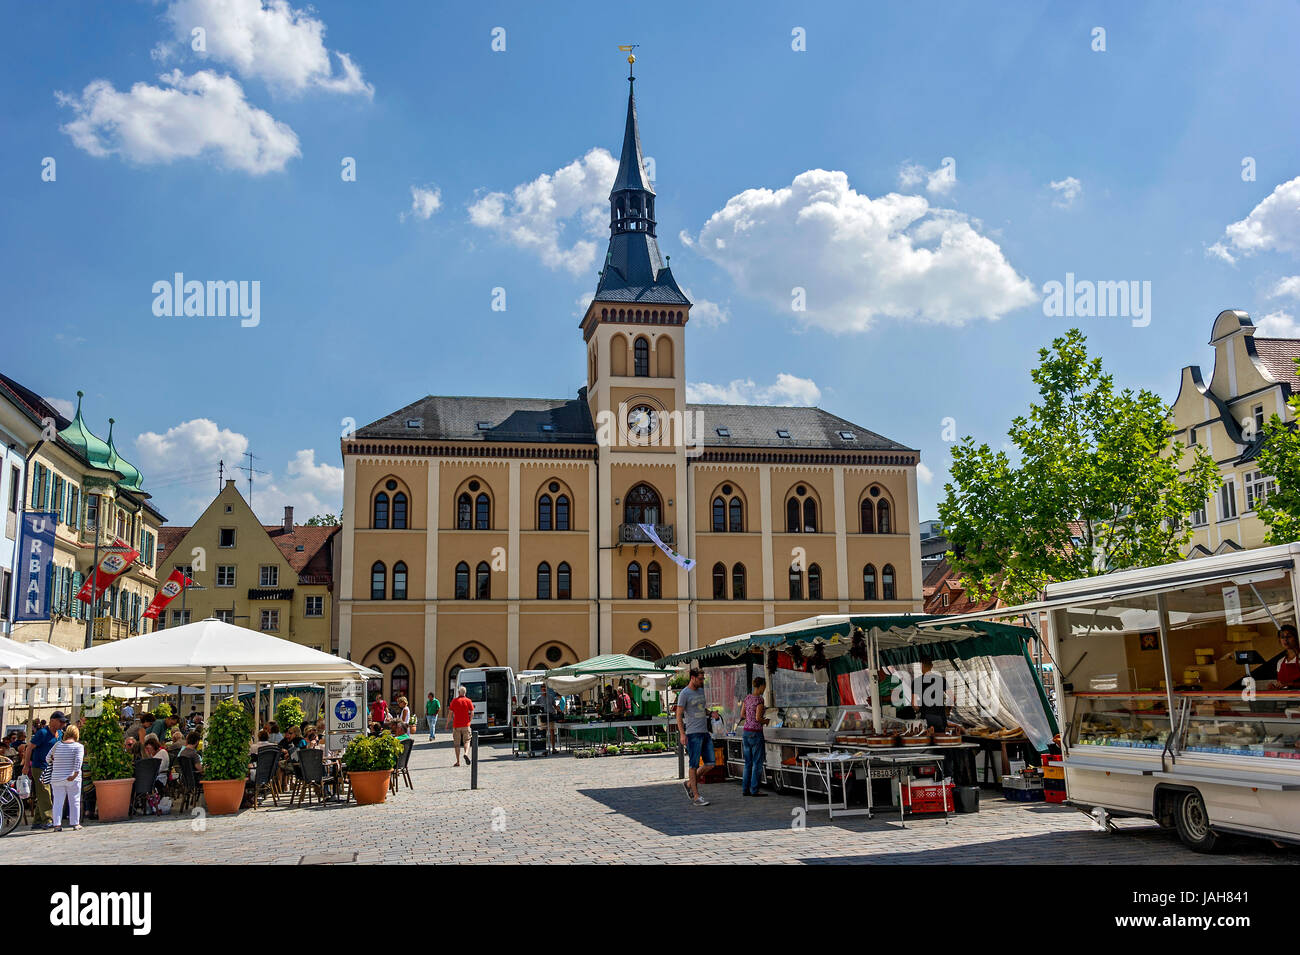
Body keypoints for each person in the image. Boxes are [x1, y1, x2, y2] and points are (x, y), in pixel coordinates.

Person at [674, 669, 712, 807]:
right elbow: (678, 715)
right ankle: (696, 796)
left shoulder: (701, 691)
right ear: (693, 678)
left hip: (704, 731)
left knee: (710, 763)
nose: (702, 681)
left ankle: (689, 783)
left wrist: (711, 713)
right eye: (700, 679)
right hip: (693, 733)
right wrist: (682, 734)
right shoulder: (684, 694)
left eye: (703, 679)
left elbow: (702, 709)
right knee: (693, 765)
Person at [22, 710, 65, 830]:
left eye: (64, 722)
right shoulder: (42, 733)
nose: (63, 724)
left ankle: (37, 821)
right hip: (39, 767)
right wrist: (26, 765)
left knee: (43, 794)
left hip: (52, 768)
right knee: (45, 793)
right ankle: (48, 819)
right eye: (60, 721)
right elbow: (29, 748)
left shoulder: (60, 734)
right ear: (52, 721)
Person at [49, 725, 84, 832]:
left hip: (56, 777)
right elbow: (78, 762)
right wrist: (74, 774)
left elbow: (47, 758)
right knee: (74, 800)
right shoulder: (78, 746)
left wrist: (56, 762)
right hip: (72, 777)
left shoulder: (57, 745)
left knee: (58, 802)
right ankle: (75, 823)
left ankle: (57, 825)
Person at [741, 676, 769, 797]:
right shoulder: (759, 700)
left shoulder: (747, 698)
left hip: (746, 732)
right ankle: (754, 789)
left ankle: (745, 789)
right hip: (756, 733)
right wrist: (766, 721)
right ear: (761, 686)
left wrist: (750, 720)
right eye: (764, 686)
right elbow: (758, 718)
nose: (764, 689)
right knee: (757, 762)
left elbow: (742, 714)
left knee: (748, 763)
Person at [915, 656, 950, 733]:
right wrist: (947, 710)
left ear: (921, 667)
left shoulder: (916, 682)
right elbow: (952, 699)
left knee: (926, 739)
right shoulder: (941, 680)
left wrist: (919, 710)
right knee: (940, 740)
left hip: (925, 717)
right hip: (940, 718)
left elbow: (914, 705)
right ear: (932, 666)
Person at [448, 686, 475, 767]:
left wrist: (447, 723)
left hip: (456, 725)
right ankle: (466, 753)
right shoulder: (468, 701)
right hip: (466, 725)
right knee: (467, 741)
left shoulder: (454, 701)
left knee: (457, 744)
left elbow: (450, 714)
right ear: (465, 693)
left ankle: (458, 761)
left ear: (459, 692)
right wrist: (469, 721)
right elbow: (472, 712)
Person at [1272, 625, 1300, 689]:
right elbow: (1280, 684)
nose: (1285, 640)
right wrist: (1275, 687)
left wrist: (1289, 684)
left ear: (1296, 637)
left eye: (1289, 636)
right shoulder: (1280, 662)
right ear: (1279, 640)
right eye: (1282, 637)